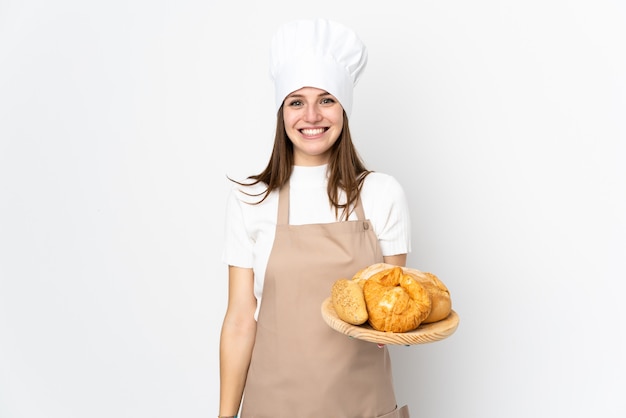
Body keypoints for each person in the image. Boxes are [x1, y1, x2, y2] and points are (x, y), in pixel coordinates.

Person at [219, 18, 412, 418]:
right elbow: (240, 320)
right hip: (273, 406)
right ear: (281, 112)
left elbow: (389, 316)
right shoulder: (250, 199)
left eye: (326, 99)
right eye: (296, 102)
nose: (311, 115)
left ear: (344, 108)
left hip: (362, 406)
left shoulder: (381, 194)